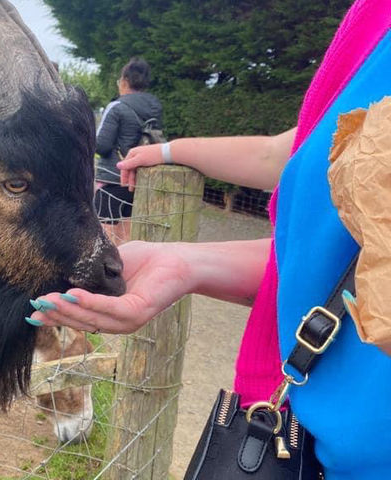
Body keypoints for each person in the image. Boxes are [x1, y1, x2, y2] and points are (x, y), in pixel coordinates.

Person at [27, 1, 391, 478]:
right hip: (311, 450)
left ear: (122, 81)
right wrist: (184, 260)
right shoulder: (372, 19)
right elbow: (300, 157)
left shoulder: (116, 108)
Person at [94, 57, 163, 244]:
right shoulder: (154, 108)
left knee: (106, 235)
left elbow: (102, 145)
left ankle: (111, 273)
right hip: (141, 178)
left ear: (124, 81)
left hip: (113, 177)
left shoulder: (117, 106)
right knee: (129, 234)